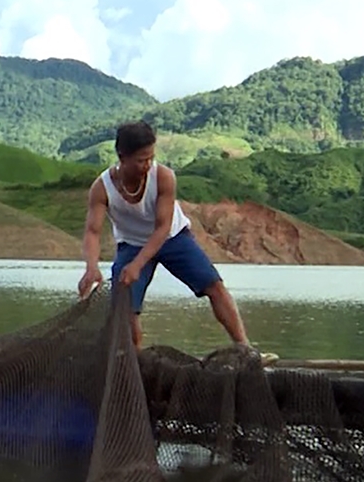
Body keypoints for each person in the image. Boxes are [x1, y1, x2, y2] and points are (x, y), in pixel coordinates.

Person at [77, 121, 259, 357]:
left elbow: (162, 228)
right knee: (125, 308)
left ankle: (245, 348)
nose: (147, 165)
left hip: (172, 237)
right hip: (131, 244)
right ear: (122, 157)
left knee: (213, 285)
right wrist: (91, 267)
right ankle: (134, 360)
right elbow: (92, 231)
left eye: (151, 158)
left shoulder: (164, 177)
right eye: (141, 160)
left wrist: (137, 265)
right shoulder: (102, 188)